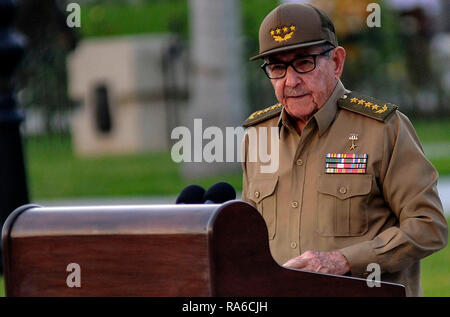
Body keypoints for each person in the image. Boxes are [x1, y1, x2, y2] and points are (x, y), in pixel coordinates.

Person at [241, 3, 448, 297]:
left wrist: (344, 261)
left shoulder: (382, 128)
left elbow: (429, 227)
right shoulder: (258, 135)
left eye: (303, 63)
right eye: (277, 67)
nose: (291, 81)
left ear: (336, 62)